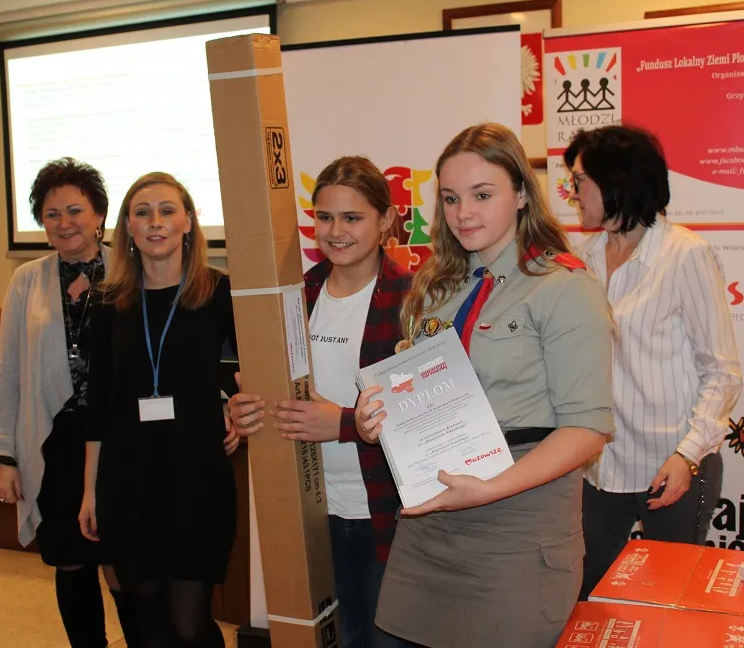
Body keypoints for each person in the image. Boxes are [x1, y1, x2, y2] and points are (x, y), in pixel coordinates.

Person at [354, 123, 615, 648]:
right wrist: (374, 420)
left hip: (517, 525)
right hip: (429, 519)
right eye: (451, 198)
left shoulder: (563, 286)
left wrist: (490, 489)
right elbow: (414, 393)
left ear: (521, 194)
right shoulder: (435, 287)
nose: (463, 213)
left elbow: (587, 429)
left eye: (482, 195)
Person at [227, 157, 411, 648]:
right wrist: (248, 411)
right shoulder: (295, 294)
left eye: (352, 218)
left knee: (387, 640)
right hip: (309, 510)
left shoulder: (414, 298)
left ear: (386, 220)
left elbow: (430, 415)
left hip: (385, 512)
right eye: (325, 217)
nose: (336, 231)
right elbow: (273, 395)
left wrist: (344, 423)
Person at [564, 126, 743, 601]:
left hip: (673, 464)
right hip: (601, 463)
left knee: (671, 601)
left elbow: (721, 370)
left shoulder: (685, 254)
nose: (572, 193)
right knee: (584, 594)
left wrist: (688, 456)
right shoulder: (583, 259)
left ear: (615, 181)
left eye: (579, 181)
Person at [80, 172, 248, 648]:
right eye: (143, 212)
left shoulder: (220, 293)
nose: (155, 222)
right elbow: (98, 402)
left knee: (189, 624)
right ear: (128, 228)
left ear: (189, 222)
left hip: (196, 477)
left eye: (167, 210)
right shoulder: (107, 302)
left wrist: (235, 409)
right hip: (128, 477)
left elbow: (254, 370)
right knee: (148, 620)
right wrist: (90, 491)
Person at [0, 157, 139, 648]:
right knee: (70, 560)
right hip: (52, 441)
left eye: (75, 210)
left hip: (119, 441)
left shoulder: (131, 270)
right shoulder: (26, 280)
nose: (64, 222)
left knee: (121, 560)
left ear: (100, 215)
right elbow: (7, 371)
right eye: (51, 214)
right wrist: (3, 454)